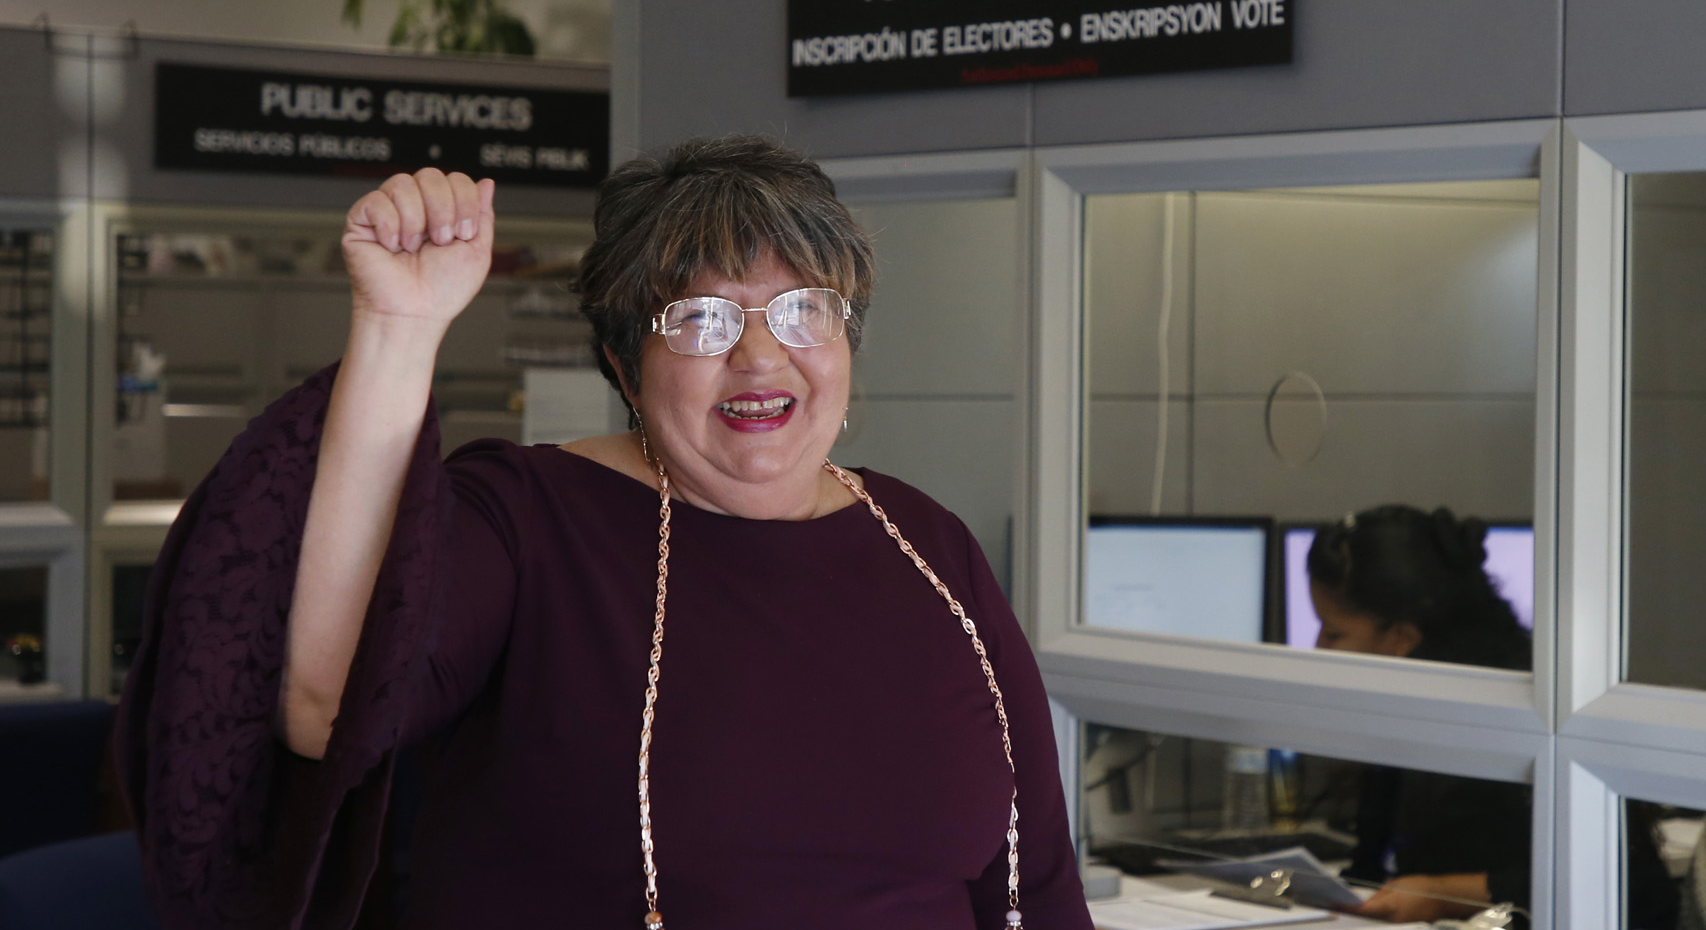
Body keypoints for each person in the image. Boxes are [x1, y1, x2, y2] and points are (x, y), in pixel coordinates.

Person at [114, 136, 1092, 930]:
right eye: (701, 321)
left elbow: (1037, 883)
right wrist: (397, 327)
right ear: (627, 366)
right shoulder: (529, 520)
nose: (760, 355)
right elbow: (327, 708)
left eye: (803, 312)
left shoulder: (928, 544)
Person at [1305, 505, 1533, 924]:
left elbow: (1620, 881)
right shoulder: (1401, 718)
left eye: (1333, 633)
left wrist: (1440, 895)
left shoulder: (1510, 720)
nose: (1318, 649)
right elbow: (1373, 870)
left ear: (1401, 638)